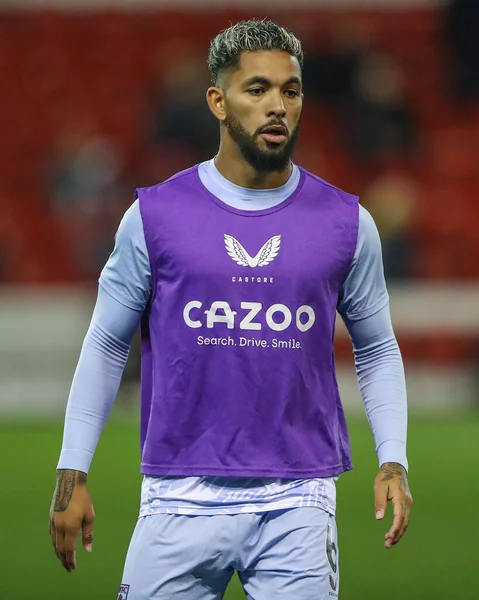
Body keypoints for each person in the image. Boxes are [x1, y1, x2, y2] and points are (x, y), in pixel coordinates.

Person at [49, 19, 412, 600]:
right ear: (218, 101)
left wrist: (393, 459)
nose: (277, 106)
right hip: (177, 493)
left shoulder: (347, 223)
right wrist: (72, 471)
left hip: (298, 498)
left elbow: (376, 347)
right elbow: (106, 343)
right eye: (257, 89)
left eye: (290, 91)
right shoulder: (153, 217)